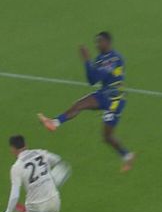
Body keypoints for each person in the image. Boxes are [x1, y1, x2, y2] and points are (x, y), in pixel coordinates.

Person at [38, 31, 135, 172]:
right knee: (79, 104)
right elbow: (91, 80)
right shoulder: (100, 59)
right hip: (104, 93)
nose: (97, 45)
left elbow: (98, 75)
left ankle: (127, 155)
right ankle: (54, 123)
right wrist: (87, 61)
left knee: (107, 136)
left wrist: (87, 60)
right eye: (96, 42)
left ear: (108, 42)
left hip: (115, 99)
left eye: (99, 41)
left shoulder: (115, 59)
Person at [0, 135, 63, 212]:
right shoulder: (40, 153)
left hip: (35, 206)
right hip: (54, 201)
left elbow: (15, 194)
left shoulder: (17, 167)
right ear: (26, 145)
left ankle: (22, 210)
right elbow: (57, 160)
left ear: (13, 149)